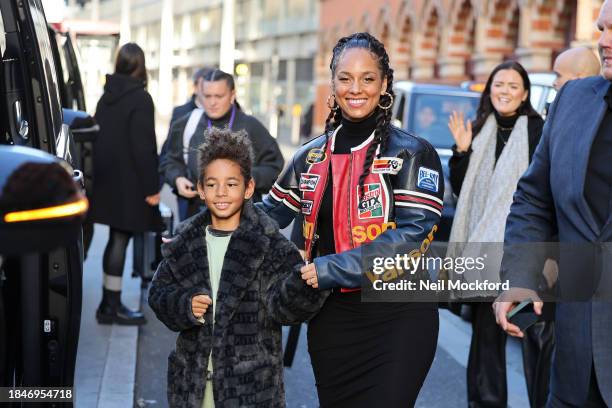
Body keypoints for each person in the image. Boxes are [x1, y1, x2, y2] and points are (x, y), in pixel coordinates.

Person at [260, 32, 443, 407]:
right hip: (331, 319)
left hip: (399, 316)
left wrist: (330, 268)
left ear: (385, 83)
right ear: (333, 83)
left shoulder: (413, 153)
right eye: (345, 78)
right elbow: (267, 214)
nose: (355, 88)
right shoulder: (310, 155)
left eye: (367, 78)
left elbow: (410, 240)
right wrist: (196, 231)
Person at [148, 128, 326, 407]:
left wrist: (305, 284)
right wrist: (184, 305)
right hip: (192, 386)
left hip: (250, 390)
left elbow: (287, 309)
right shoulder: (185, 242)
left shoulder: (270, 245)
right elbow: (158, 294)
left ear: (249, 188)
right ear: (200, 188)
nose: (221, 193)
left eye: (231, 184)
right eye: (212, 184)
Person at [494, 1, 612, 406]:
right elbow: (533, 198)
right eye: (601, 29)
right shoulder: (574, 99)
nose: (603, 42)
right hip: (575, 362)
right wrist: (521, 275)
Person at [447, 60, 545, 407]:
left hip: (516, 246)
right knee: (484, 337)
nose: (505, 91)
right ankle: (483, 402)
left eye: (513, 86)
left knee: (524, 341)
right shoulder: (481, 126)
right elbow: (461, 191)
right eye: (499, 84)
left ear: (525, 94)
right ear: (490, 90)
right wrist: (461, 151)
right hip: (480, 247)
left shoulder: (536, 130)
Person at [90, 43, 161, 325]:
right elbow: (144, 148)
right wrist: (152, 188)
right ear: (141, 66)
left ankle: (109, 301)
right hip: (131, 184)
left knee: (115, 239)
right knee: (121, 239)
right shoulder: (141, 99)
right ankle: (111, 305)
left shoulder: (106, 97)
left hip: (109, 181)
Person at [162, 69, 284, 217]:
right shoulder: (186, 124)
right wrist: (177, 178)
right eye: (207, 96)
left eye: (219, 96)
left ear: (232, 94)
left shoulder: (251, 126)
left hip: (242, 218)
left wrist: (245, 179)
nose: (212, 102)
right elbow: (169, 160)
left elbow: (274, 167)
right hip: (196, 214)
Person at [159, 67, 211, 221]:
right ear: (195, 87)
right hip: (188, 190)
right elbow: (169, 150)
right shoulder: (181, 113)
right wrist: (174, 179)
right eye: (204, 86)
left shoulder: (232, 112)